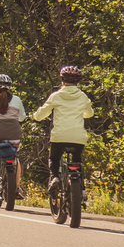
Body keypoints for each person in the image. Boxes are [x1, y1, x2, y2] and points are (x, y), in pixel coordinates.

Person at [32, 65, 94, 194]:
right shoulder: (83, 96)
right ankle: (82, 190)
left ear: (62, 79)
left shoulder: (56, 96)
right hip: (78, 138)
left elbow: (40, 115)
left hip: (59, 137)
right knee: (77, 161)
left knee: (54, 159)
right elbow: (89, 114)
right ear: (78, 80)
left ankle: (54, 178)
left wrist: (36, 116)